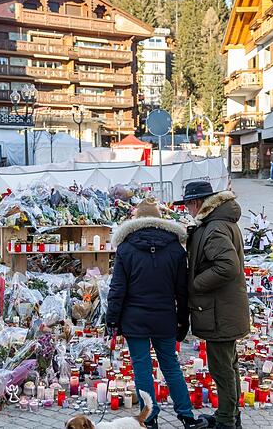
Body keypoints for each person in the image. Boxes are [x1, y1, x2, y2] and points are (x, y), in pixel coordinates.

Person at [106, 197, 206, 429]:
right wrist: (183, 320)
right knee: (170, 365)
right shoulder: (175, 248)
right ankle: (186, 415)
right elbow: (182, 291)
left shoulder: (126, 248)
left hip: (135, 319)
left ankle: (149, 419)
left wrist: (112, 319)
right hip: (165, 318)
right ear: (160, 220)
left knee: (142, 368)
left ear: (137, 220)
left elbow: (118, 288)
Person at [178, 181, 249, 429]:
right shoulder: (217, 223)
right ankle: (228, 416)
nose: (187, 209)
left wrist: (196, 284)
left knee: (222, 369)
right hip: (223, 309)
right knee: (227, 366)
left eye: (187, 204)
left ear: (197, 203)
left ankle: (227, 422)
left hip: (220, 311)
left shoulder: (215, 227)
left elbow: (228, 266)